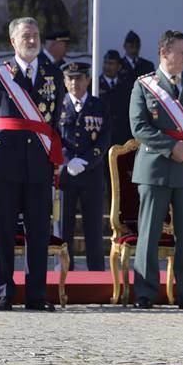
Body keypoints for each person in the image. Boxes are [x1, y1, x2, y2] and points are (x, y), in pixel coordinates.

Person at [0, 17, 65, 311]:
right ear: (13, 41)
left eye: (35, 34)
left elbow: (55, 119)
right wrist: (1, 146)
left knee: (38, 230)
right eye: (26, 35)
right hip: (6, 162)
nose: (31, 39)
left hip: (38, 162)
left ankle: (36, 294)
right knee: (3, 229)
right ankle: (4, 292)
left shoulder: (53, 74)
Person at [128, 30, 183, 310]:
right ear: (163, 53)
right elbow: (139, 126)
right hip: (155, 168)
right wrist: (171, 147)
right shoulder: (144, 85)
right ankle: (145, 292)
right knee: (149, 232)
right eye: (180, 52)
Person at [58, 62, 111, 272]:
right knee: (64, 229)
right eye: (70, 78)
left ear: (88, 80)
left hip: (92, 175)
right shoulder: (58, 107)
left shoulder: (100, 106)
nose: (74, 83)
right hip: (66, 175)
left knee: (94, 229)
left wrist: (87, 160)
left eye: (79, 78)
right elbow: (53, 136)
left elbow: (105, 138)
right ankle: (64, 275)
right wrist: (68, 159)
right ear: (64, 81)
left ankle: (96, 276)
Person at [97, 50, 133, 145]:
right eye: (105, 63)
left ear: (119, 66)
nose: (107, 66)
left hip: (122, 136)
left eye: (111, 63)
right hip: (102, 135)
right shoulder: (94, 85)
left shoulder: (126, 85)